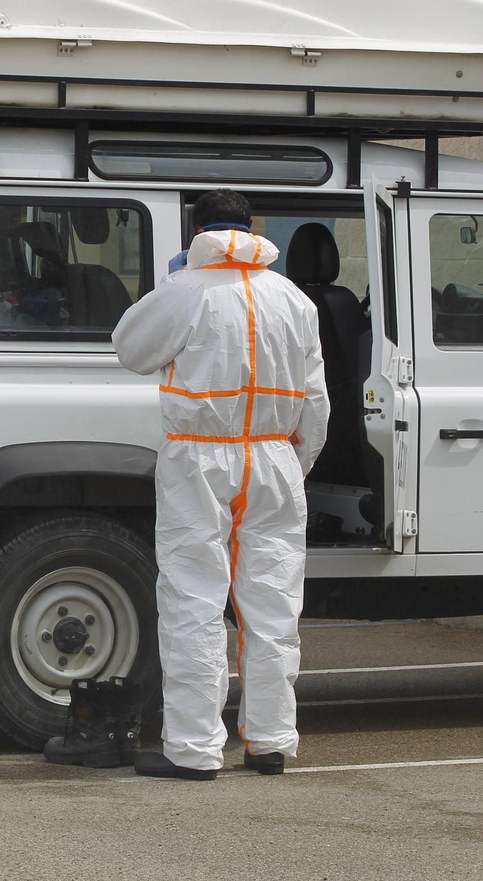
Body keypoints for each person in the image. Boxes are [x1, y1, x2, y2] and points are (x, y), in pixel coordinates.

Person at [111, 190, 328, 780]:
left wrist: (173, 282)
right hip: (275, 459)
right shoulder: (295, 300)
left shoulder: (187, 291)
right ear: (253, 228)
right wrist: (292, 466)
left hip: (201, 459)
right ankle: (272, 741)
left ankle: (193, 749)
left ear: (196, 229)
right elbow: (316, 405)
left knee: (193, 600)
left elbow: (129, 349)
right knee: (274, 605)